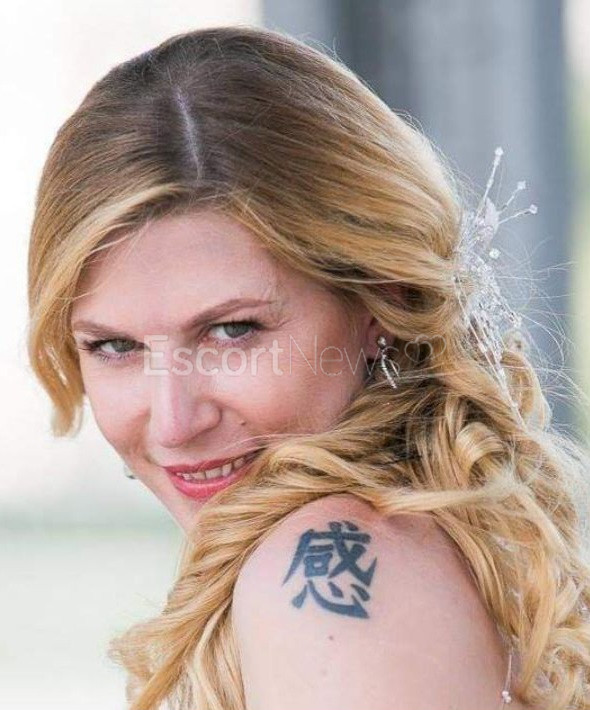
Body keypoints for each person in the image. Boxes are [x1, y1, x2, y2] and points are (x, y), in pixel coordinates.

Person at [26, 25, 590, 710]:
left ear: (382, 298)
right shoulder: (436, 541)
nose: (174, 423)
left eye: (232, 331)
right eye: (115, 347)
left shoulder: (321, 579)